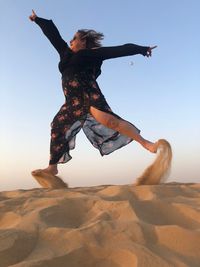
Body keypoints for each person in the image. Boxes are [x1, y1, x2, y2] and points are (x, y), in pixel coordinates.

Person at [29, 10, 158, 177]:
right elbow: (54, 35)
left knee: (110, 121)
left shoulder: (91, 54)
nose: (70, 41)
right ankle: (53, 167)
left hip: (89, 95)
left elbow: (119, 50)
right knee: (57, 126)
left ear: (83, 41)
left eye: (74, 38)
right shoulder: (65, 54)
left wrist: (142, 49)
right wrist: (38, 20)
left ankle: (146, 143)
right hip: (72, 101)